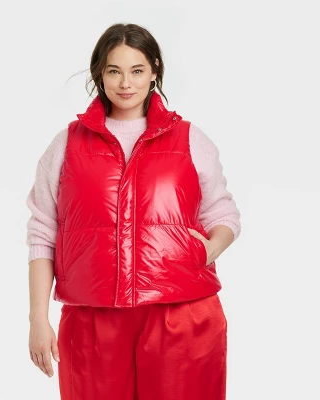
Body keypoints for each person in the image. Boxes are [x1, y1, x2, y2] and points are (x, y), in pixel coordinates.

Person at [26, 22, 241, 400]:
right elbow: (43, 233)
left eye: (137, 70)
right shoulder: (66, 144)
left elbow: (223, 215)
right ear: (100, 74)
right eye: (114, 71)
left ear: (154, 71)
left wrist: (209, 249)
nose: (126, 83)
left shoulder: (191, 139)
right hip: (93, 320)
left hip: (181, 315)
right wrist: (37, 319)